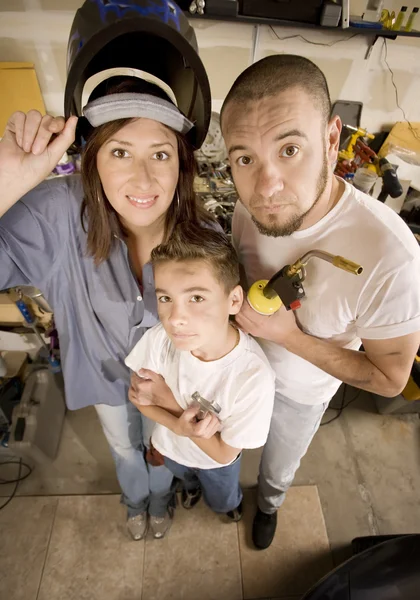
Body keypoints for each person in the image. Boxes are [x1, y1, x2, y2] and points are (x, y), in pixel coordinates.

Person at [0, 69, 217, 539]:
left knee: (163, 446)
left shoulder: (207, 238)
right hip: (102, 378)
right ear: (93, 160)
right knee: (124, 448)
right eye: (120, 152)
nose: (142, 178)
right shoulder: (58, 214)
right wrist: (6, 180)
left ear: (180, 163)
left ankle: (161, 498)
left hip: (173, 386)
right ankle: (135, 502)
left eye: (159, 153)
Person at [220, 54, 420, 550]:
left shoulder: (389, 256)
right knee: (222, 443)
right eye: (245, 157)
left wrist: (288, 337)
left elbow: (390, 378)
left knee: (280, 460)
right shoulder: (247, 211)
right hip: (237, 368)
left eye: (290, 149)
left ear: (332, 140)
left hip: (301, 393)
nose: (266, 188)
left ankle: (268, 504)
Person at [125, 224, 275, 529]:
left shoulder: (253, 377)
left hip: (215, 464)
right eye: (165, 298)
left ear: (233, 301)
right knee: (184, 477)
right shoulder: (159, 340)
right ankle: (190, 489)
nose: (175, 318)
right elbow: (139, 397)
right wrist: (178, 426)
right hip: (171, 449)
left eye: (196, 298)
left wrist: (172, 409)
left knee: (222, 495)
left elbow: (222, 453)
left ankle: (228, 506)